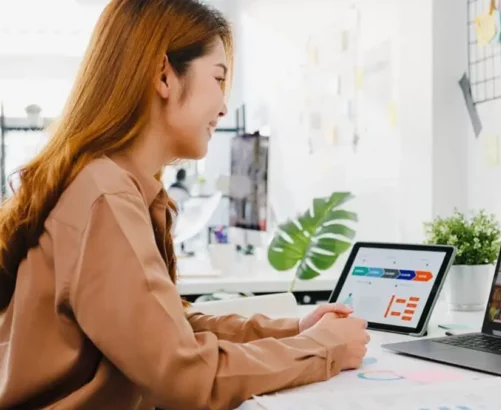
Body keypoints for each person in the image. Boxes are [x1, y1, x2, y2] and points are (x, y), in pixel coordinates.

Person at [0, 1, 369, 409]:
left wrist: (294, 330)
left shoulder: (108, 185)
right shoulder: (105, 196)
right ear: (164, 75)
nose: (224, 107)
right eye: (219, 78)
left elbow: (165, 327)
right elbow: (184, 378)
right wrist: (320, 350)